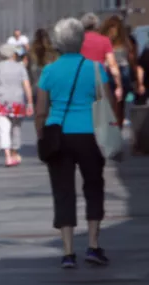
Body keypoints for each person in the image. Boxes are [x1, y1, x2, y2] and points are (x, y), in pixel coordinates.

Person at [36, 17, 120, 269]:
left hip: (59, 133)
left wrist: (42, 136)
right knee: (94, 186)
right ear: (81, 40)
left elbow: (40, 110)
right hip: (90, 134)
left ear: (58, 43)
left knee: (63, 191)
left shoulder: (49, 71)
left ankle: (68, 251)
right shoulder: (96, 69)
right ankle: (93, 245)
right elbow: (107, 103)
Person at [0, 43, 33, 167]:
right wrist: (30, 102)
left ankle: (7, 156)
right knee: (16, 127)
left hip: (2, 100)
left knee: (3, 129)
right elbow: (26, 85)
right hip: (17, 101)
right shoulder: (20, 67)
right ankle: (14, 151)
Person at [101, 15, 145, 119]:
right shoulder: (125, 42)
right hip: (123, 71)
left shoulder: (105, 42)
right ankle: (119, 122)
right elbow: (132, 60)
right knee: (121, 102)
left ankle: (115, 122)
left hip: (109, 71)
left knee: (112, 101)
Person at [80, 13, 123, 103]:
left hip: (81, 79)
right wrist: (118, 86)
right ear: (97, 26)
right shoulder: (104, 41)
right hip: (99, 80)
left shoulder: (78, 41)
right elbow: (112, 65)